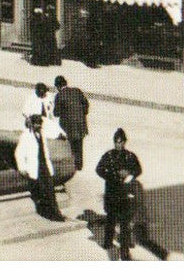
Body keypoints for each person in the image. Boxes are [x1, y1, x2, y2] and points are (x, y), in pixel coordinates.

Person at [95, 127, 142, 259]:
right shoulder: (108, 156)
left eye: (120, 142)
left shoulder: (130, 156)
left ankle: (124, 251)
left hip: (124, 195)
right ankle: (108, 241)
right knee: (110, 219)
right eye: (116, 142)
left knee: (124, 224)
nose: (118, 144)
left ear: (124, 142)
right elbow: (99, 169)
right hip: (111, 193)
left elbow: (138, 170)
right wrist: (111, 175)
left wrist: (129, 174)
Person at [14, 115, 66, 221]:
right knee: (42, 191)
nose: (39, 126)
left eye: (40, 124)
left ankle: (55, 213)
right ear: (32, 125)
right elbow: (19, 153)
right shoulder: (26, 136)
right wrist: (22, 167)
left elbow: (50, 139)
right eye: (37, 124)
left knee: (50, 190)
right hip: (35, 167)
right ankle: (48, 213)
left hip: (44, 165)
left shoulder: (41, 134)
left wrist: (60, 135)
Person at [52, 75, 90, 173]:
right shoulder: (77, 91)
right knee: (79, 144)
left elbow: (56, 113)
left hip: (68, 126)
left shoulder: (59, 95)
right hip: (81, 124)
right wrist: (82, 113)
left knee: (70, 146)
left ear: (58, 86)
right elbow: (86, 104)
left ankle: (71, 167)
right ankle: (79, 165)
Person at [127, 178, 169, 260]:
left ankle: (163, 254)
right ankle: (163, 254)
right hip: (136, 219)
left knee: (141, 239)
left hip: (138, 220)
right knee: (138, 239)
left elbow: (138, 201)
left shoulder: (134, 186)